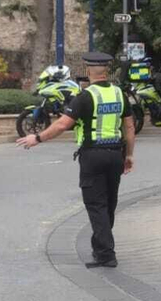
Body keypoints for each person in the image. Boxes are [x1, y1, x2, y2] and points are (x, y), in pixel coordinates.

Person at [17, 52, 136, 267]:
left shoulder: (84, 96)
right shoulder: (120, 94)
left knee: (96, 205)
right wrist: (128, 155)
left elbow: (62, 125)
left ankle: (107, 254)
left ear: (89, 71)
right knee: (108, 204)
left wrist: (37, 137)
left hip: (93, 156)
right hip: (115, 155)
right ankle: (100, 248)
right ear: (106, 71)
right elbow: (129, 126)